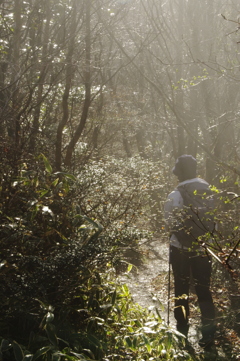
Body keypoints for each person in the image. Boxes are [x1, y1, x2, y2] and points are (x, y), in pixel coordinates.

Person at [164, 154, 216, 348]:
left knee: (181, 288)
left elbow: (169, 221)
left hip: (180, 249)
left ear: (180, 173)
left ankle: (182, 331)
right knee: (204, 289)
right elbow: (215, 220)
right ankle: (209, 334)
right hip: (203, 248)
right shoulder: (208, 190)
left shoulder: (176, 194)